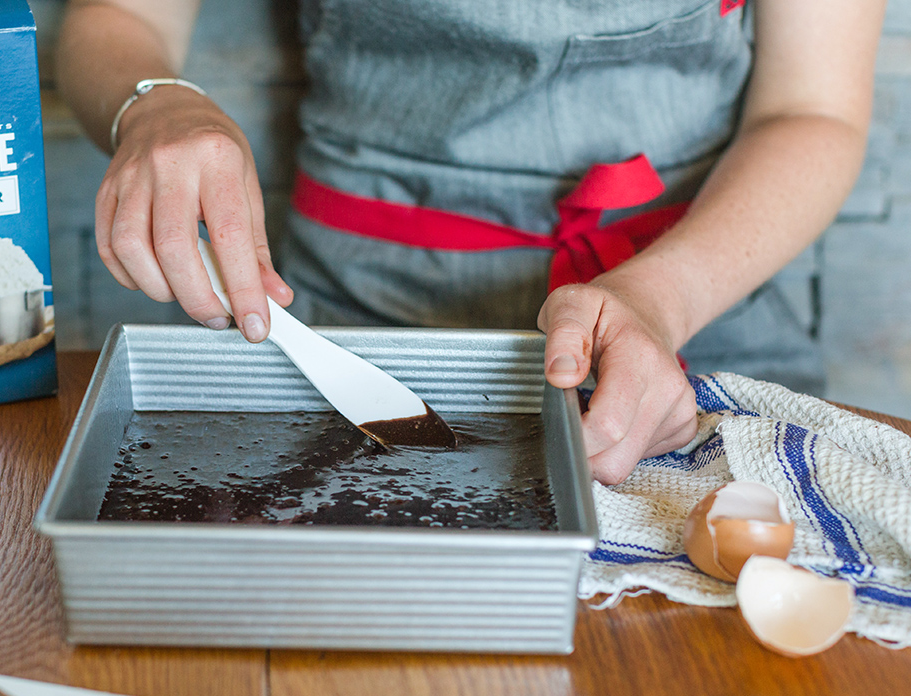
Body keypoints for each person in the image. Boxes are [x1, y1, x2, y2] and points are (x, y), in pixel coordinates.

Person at [56, 0, 885, 484]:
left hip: (696, 313)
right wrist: (156, 106)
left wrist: (658, 301)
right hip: (353, 320)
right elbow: (116, 18)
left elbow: (811, 111)